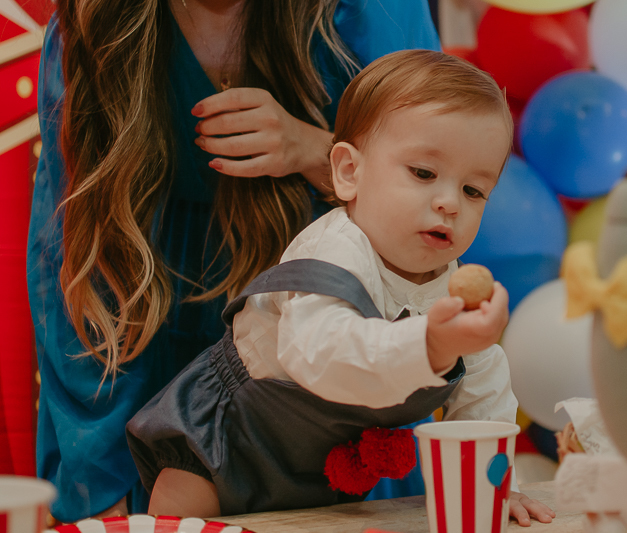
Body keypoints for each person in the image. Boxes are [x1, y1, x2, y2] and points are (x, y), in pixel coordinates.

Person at [27, 0, 441, 523]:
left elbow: (436, 188)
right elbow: (74, 263)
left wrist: (313, 149)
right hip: (138, 361)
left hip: (315, 352)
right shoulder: (90, 23)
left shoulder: (371, 11)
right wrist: (100, 490)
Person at [126, 49, 556, 526]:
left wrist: (494, 487)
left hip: (321, 464)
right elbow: (321, 356)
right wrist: (431, 344)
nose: (449, 202)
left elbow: (480, 381)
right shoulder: (333, 251)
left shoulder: (447, 280)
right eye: (423, 173)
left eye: (473, 190)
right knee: (180, 518)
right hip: (226, 441)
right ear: (350, 172)